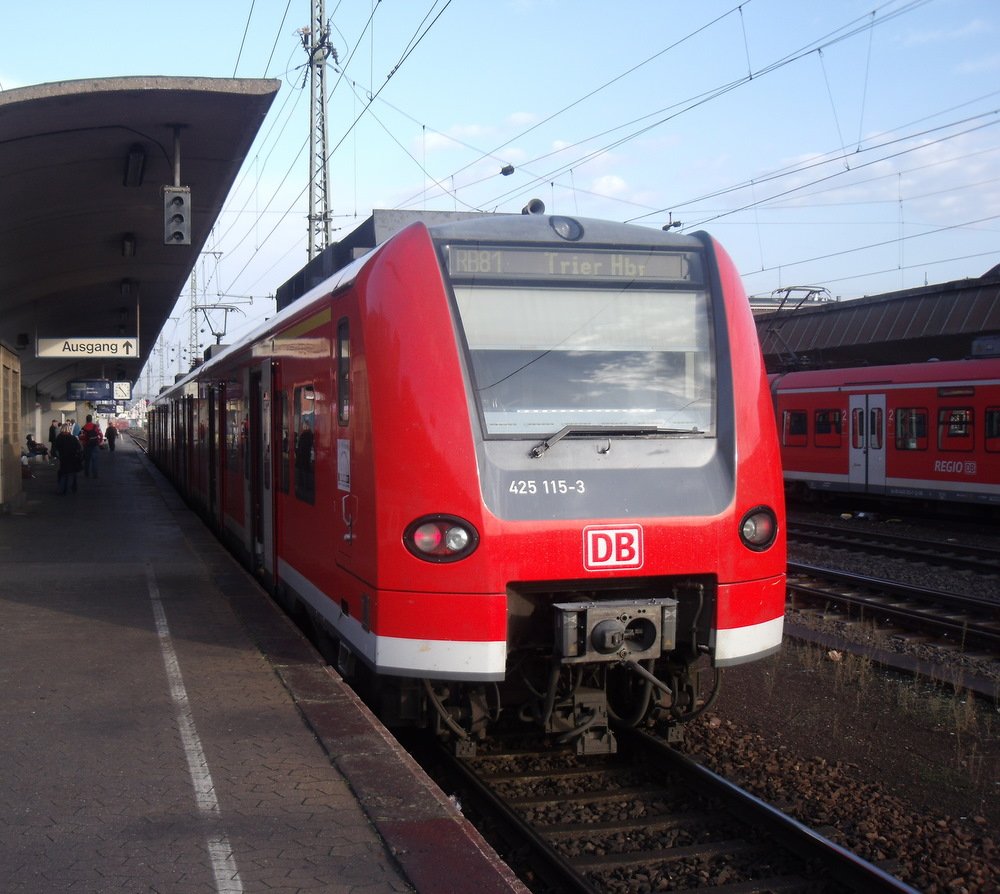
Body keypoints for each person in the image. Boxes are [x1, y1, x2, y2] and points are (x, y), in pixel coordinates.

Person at [53, 423, 83, 494]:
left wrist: (59, 455)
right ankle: (73, 487)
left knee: (63, 473)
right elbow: (79, 448)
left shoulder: (59, 438)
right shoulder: (73, 438)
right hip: (72, 458)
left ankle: (62, 489)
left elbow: (55, 448)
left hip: (63, 458)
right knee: (73, 473)